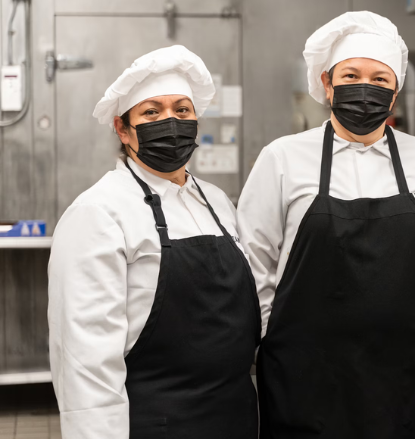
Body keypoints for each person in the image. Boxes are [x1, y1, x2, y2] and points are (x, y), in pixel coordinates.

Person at [237, 11, 415, 439]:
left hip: (413, 370)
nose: (366, 89)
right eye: (351, 75)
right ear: (327, 84)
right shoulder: (283, 157)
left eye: (380, 80)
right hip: (307, 368)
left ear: (395, 91)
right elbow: (254, 260)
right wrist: (275, 335)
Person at [48, 45, 261, 439]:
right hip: (156, 423)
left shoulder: (216, 202)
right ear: (123, 129)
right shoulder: (98, 212)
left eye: (182, 110)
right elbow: (85, 358)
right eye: (152, 112)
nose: (171, 121)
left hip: (235, 416)